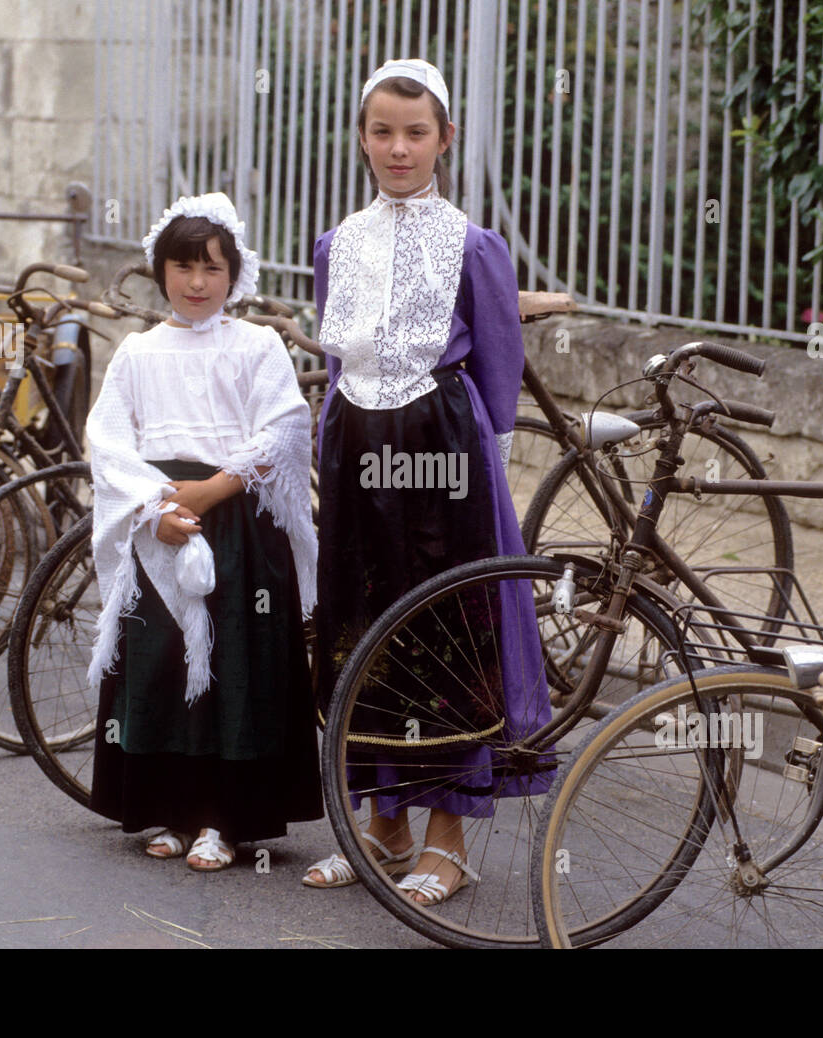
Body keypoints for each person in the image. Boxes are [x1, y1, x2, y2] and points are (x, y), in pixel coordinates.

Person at [302, 59, 549, 904]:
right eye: (382, 131)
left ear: (446, 138)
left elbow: (499, 365)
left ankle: (448, 839)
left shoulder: (474, 245)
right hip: (355, 447)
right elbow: (339, 361)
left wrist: (489, 469)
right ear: (362, 138)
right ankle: (382, 826)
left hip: (442, 451)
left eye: (416, 132)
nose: (398, 148)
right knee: (359, 626)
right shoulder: (338, 243)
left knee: (447, 636)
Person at [86, 192, 322, 871]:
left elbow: (282, 429)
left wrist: (216, 486)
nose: (196, 283)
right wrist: (151, 508)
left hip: (237, 525)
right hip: (160, 522)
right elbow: (108, 441)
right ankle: (162, 806)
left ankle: (223, 819)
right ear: (160, 270)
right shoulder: (137, 353)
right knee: (160, 666)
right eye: (183, 267)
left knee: (229, 666)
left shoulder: (256, 346)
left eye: (211, 269)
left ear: (234, 275)